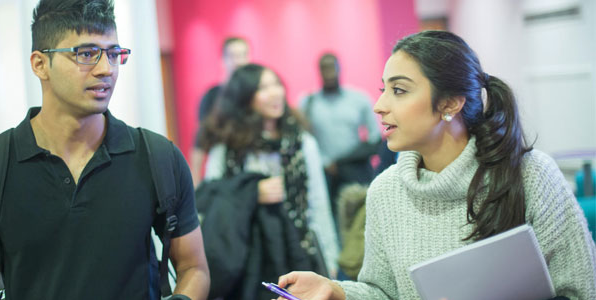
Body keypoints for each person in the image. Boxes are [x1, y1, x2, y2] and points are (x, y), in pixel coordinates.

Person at [276, 30, 596, 300]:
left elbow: (582, 289)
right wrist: (336, 291)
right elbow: (384, 292)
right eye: (383, 89)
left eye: (399, 90)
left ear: (450, 103)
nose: (380, 105)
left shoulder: (531, 174)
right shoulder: (386, 190)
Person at [0, 0, 209, 299]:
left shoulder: (158, 158)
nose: (106, 69)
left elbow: (194, 268)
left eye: (114, 54)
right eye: (86, 54)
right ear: (40, 64)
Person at [197, 64, 339, 300]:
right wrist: (251, 191)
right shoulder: (227, 148)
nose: (275, 93)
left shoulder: (301, 143)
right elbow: (208, 196)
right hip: (245, 259)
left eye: (276, 84)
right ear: (244, 97)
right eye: (263, 88)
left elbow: (318, 205)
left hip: (298, 253)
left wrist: (331, 259)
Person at [300, 53, 382, 222]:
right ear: (319, 71)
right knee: (328, 219)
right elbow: (303, 139)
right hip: (324, 174)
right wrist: (324, 161)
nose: (329, 74)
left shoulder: (359, 99)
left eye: (332, 68)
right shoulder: (307, 103)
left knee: (361, 218)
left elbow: (375, 138)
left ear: (340, 68)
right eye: (324, 69)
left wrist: (344, 161)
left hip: (355, 171)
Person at [190, 37, 250, 187]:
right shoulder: (212, 96)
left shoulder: (255, 96)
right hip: (222, 174)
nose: (239, 61)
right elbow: (200, 141)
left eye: (243, 55)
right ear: (223, 60)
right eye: (233, 56)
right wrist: (195, 184)